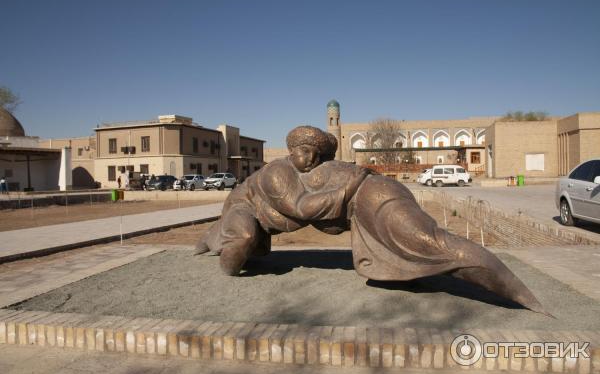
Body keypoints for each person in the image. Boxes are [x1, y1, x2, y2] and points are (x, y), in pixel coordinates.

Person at [195, 125, 547, 315]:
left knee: (416, 240)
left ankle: (401, 270)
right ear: (291, 151)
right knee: (240, 241)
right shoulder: (277, 173)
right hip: (249, 214)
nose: (311, 159)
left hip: (274, 226)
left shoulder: (314, 170)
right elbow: (302, 209)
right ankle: (226, 264)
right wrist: (353, 183)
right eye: (305, 152)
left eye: (317, 155)